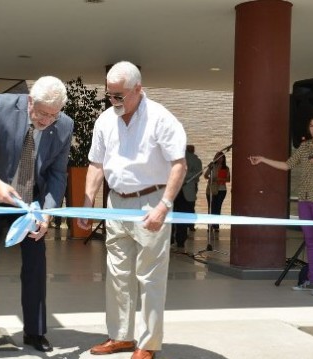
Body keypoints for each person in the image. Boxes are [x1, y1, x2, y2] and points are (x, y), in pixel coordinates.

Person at [76, 61, 187, 359]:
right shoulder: (105, 121)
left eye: (119, 95)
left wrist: (164, 206)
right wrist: (88, 204)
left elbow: (179, 164)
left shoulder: (161, 119)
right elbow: (96, 164)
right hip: (116, 205)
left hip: (152, 201)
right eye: (109, 94)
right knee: (117, 273)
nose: (112, 101)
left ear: (139, 89)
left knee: (150, 277)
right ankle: (121, 336)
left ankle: (148, 344)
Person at [0, 76, 74, 356]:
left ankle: (35, 331)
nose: (48, 120)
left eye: (54, 114)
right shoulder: (0, 105)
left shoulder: (65, 124)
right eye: (43, 113)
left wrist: (46, 212)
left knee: (36, 268)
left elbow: (58, 174)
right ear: (30, 101)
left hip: (30, 205)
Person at [249, 109, 313, 296]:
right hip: (304, 199)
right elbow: (287, 165)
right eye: (312, 126)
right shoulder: (305, 146)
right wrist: (263, 160)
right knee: (310, 242)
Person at [171, 145, 202, 249]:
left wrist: (183, 177)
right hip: (173, 191)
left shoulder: (194, 159)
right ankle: (173, 239)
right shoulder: (172, 157)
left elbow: (198, 172)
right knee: (174, 216)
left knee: (181, 216)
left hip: (185, 191)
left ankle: (180, 240)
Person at [204, 151, 230, 232]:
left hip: (221, 189)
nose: (220, 159)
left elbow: (228, 179)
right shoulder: (212, 166)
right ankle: (210, 225)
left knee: (217, 207)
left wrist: (220, 179)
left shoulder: (226, 168)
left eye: (222, 157)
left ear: (223, 159)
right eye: (218, 157)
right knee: (211, 207)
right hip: (212, 188)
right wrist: (211, 179)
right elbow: (205, 175)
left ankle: (216, 225)